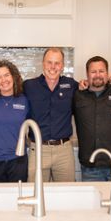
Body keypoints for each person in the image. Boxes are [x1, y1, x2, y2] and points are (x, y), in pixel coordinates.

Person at [23, 47, 78, 182]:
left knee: (66, 194)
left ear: (63, 66)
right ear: (43, 63)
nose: (53, 67)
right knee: (35, 194)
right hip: (38, 150)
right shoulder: (28, 86)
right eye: (49, 62)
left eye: (57, 63)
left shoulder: (71, 85)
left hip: (64, 150)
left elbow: (90, 89)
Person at [73, 56, 111, 181]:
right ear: (87, 74)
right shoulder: (77, 95)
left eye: (101, 71)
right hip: (90, 168)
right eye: (93, 72)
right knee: (93, 201)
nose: (97, 75)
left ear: (108, 73)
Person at [0, 59, 29, 183]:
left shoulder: (24, 100)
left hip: (18, 160)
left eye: (6, 75)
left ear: (14, 76)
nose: (3, 80)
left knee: (18, 198)